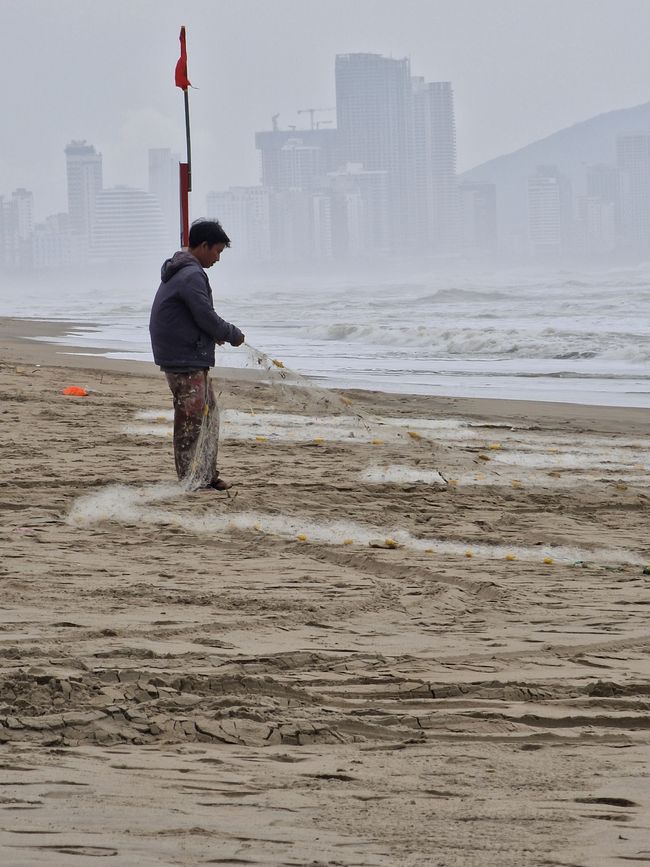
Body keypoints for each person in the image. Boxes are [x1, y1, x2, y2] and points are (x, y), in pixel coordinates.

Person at [149, 219, 245, 491]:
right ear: (203, 246)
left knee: (208, 414)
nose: (217, 258)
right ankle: (191, 480)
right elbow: (205, 314)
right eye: (216, 252)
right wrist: (231, 333)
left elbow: (193, 315)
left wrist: (213, 334)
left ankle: (205, 474)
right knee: (191, 420)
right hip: (184, 357)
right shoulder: (191, 274)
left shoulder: (184, 270)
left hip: (185, 353)